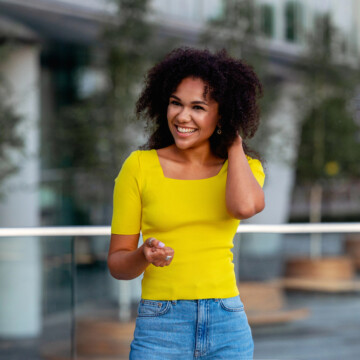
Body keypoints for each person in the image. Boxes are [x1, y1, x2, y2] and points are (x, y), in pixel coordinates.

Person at [108, 47, 265, 360]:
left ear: (223, 113)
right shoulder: (139, 167)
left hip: (227, 323)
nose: (182, 116)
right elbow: (117, 264)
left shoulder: (242, 168)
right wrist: (143, 254)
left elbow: (244, 207)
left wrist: (233, 137)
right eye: (176, 103)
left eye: (198, 107)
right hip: (160, 326)